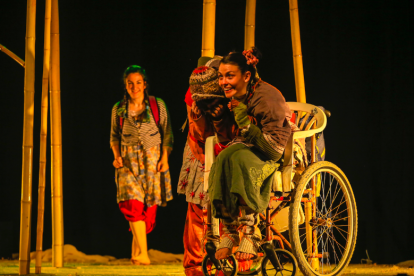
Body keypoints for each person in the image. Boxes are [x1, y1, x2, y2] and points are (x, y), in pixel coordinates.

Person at [208, 48, 293, 261]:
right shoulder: (242, 93)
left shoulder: (266, 98)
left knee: (237, 159)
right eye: (221, 77)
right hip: (250, 146)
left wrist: (245, 125)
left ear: (246, 76)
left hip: (271, 151)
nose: (224, 82)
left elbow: (273, 151)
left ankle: (249, 231)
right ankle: (229, 228)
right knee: (223, 158)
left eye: (230, 76)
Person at [179, 59, 237, 276]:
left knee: (227, 208)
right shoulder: (193, 96)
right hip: (201, 150)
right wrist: (198, 115)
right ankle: (195, 265)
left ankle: (229, 262)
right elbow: (198, 134)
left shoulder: (230, 88)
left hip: (228, 147)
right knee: (199, 209)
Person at [110, 65, 174, 265]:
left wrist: (165, 158)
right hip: (128, 162)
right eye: (130, 83)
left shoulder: (157, 105)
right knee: (132, 203)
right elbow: (114, 136)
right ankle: (144, 255)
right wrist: (116, 156)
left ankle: (136, 254)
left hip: (152, 162)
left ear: (145, 84)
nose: (134, 87)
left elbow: (167, 133)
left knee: (148, 211)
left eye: (138, 82)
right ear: (125, 85)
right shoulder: (119, 108)